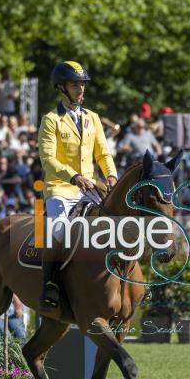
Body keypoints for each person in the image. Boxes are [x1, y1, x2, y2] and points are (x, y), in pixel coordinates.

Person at [37, 61, 117, 309]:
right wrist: (73, 176)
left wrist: (112, 176)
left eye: (82, 84)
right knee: (58, 232)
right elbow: (47, 158)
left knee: (117, 222)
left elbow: (103, 153)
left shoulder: (92, 118)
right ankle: (50, 285)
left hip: (91, 189)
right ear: (62, 87)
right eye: (75, 85)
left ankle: (127, 280)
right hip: (61, 189)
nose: (81, 90)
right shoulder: (51, 120)